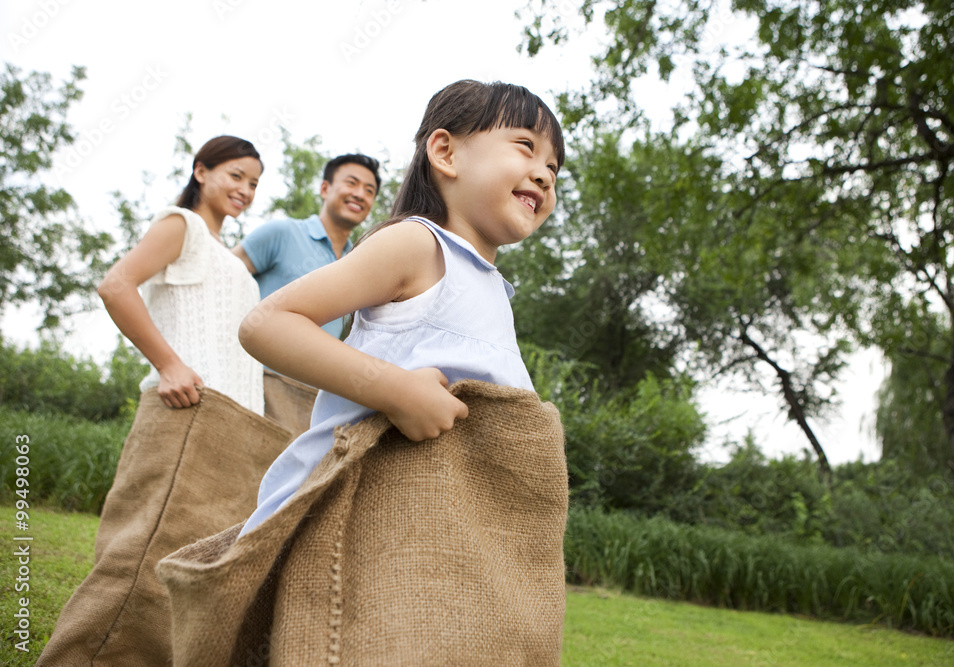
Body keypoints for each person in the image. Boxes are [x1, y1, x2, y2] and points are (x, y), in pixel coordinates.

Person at [236, 79, 564, 536]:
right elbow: (266, 324)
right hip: (344, 515)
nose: (545, 174)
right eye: (525, 147)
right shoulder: (419, 244)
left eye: (553, 166)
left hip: (426, 527)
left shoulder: (495, 291)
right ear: (446, 153)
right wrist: (398, 392)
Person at [38, 136, 292, 666]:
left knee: (189, 569)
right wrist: (168, 364)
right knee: (143, 561)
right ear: (202, 170)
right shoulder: (183, 226)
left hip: (231, 425)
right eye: (236, 175)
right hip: (186, 410)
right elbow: (116, 286)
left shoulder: (229, 257)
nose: (245, 190)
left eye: (254, 183)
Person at [232, 153, 381, 340]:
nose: (360, 195)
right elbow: (220, 277)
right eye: (351, 183)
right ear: (325, 189)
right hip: (252, 367)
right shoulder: (281, 233)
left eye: (369, 191)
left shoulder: (356, 262)